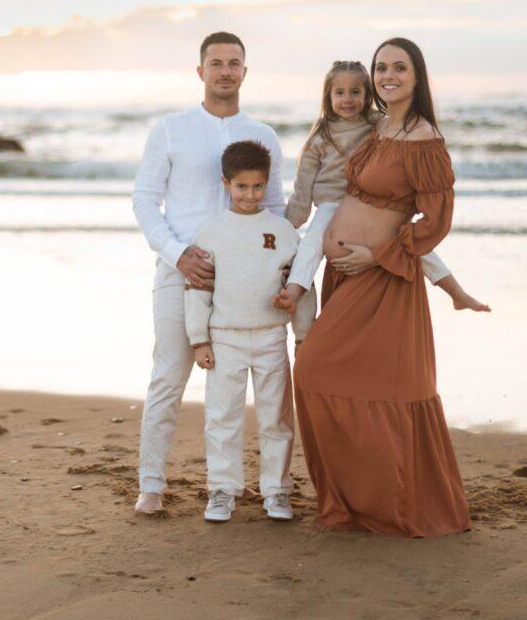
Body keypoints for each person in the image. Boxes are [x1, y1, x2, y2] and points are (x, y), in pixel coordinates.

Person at [293, 38, 472, 536]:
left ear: (417, 76)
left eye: (399, 67)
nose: (388, 74)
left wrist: (379, 255)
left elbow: (435, 221)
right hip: (345, 277)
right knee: (325, 375)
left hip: (384, 278)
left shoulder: (423, 137)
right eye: (381, 67)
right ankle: (354, 500)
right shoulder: (381, 128)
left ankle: (390, 502)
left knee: (327, 371)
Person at [131, 31, 285, 515]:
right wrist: (178, 254)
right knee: (169, 376)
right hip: (182, 273)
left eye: (233, 63)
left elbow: (275, 209)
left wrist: (279, 272)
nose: (224, 70)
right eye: (215, 62)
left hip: (247, 286)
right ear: (200, 71)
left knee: (254, 391)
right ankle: (151, 485)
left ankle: (248, 487)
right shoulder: (171, 129)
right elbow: (143, 200)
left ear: (245, 70)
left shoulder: (264, 135)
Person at [274, 60, 490, 314]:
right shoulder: (321, 135)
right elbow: (304, 182)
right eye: (339, 93)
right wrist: (292, 220)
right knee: (311, 245)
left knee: (417, 248)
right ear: (328, 96)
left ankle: (457, 293)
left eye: (356, 92)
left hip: (372, 209)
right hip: (330, 205)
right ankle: (293, 292)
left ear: (367, 95)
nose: (348, 99)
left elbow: (401, 140)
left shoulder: (377, 124)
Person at [184, 141, 316, 523]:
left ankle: (276, 490)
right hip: (225, 337)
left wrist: (303, 333)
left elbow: (301, 283)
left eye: (258, 187)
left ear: (267, 184)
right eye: (242, 187)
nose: (250, 195)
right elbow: (198, 288)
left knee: (276, 417)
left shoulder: (282, 231)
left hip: (271, 337)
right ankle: (222, 489)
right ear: (226, 183)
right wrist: (198, 340)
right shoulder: (211, 231)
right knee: (223, 416)